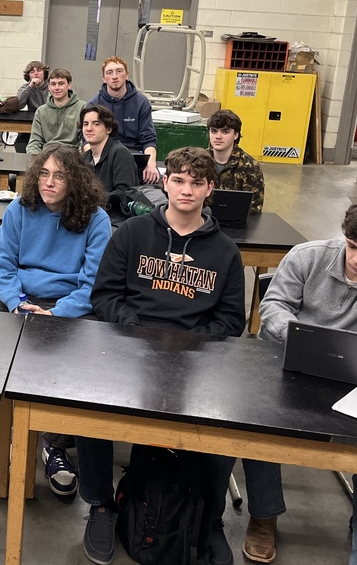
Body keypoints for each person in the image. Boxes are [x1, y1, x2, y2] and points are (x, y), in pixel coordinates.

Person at [78, 146, 245, 565]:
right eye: (179, 180)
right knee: (87, 404)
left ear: (209, 189)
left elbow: (230, 321)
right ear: (165, 182)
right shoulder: (132, 233)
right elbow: (105, 296)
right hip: (130, 348)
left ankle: (210, 518)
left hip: (195, 359)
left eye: (196, 183)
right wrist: (139, 334)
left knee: (228, 419)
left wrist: (188, 346)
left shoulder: (225, 251)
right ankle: (100, 504)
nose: (186, 190)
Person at [256, 200, 357, 565]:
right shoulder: (308, 256)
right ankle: (263, 516)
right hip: (284, 364)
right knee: (258, 426)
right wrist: (302, 337)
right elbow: (272, 307)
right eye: (352, 246)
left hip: (346, 380)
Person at [0, 145, 111, 498]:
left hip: (66, 304)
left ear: (75, 181)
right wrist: (17, 304)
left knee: (79, 359)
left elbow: (93, 285)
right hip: (17, 297)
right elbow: (0, 267)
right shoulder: (20, 209)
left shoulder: (96, 220)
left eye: (59, 176)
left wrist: (55, 315)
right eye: (44, 174)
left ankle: (54, 443)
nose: (49, 182)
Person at [87, 56, 159, 184]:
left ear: (127, 75)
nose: (115, 76)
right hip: (105, 157)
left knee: (155, 182)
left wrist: (151, 164)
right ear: (104, 78)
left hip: (136, 158)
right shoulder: (94, 105)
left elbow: (148, 139)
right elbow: (87, 140)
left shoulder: (141, 102)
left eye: (119, 71)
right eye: (109, 72)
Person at [208, 109, 265, 212]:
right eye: (213, 131)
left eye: (225, 132)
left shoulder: (250, 167)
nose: (218, 136)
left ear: (236, 135)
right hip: (202, 218)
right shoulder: (199, 161)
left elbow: (254, 210)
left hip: (236, 220)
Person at [80, 104, 139, 198]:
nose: (89, 129)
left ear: (109, 129)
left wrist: (91, 200)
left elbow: (124, 193)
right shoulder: (84, 158)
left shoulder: (120, 154)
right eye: (85, 124)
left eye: (96, 124)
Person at [26, 68, 85, 155]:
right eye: (53, 84)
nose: (57, 88)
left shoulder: (82, 107)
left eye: (61, 84)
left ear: (69, 85)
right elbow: (34, 142)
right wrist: (35, 158)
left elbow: (85, 140)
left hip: (72, 156)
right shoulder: (41, 111)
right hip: (47, 155)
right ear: (49, 87)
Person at [13, 60, 50, 153]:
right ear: (28, 75)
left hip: (48, 124)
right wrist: (30, 87)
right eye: (32, 72)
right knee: (20, 144)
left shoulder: (51, 87)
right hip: (31, 123)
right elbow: (18, 105)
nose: (36, 73)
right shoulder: (25, 88)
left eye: (39, 70)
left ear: (44, 73)